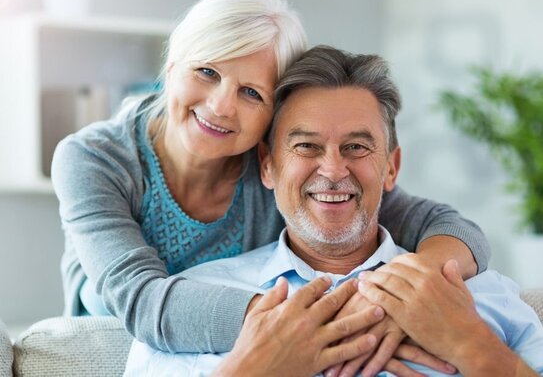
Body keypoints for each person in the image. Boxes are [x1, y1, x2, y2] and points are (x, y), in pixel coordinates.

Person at [51, 0, 490, 363]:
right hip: (117, 337)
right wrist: (302, 326)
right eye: (207, 71)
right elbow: (142, 301)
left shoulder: (281, 171)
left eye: (250, 92)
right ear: (171, 68)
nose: (221, 105)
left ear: (274, 115)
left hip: (239, 339)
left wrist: (417, 293)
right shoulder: (94, 158)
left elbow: (451, 229)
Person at [123, 46, 543, 377]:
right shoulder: (194, 308)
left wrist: (472, 344)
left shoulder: (480, 295)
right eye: (306, 146)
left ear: (391, 167)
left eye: (356, 147)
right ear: (268, 165)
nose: (333, 170)